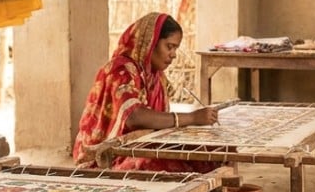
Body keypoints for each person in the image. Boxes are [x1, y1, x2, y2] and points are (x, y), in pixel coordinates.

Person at [73, 12, 219, 170]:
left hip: (140, 145)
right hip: (108, 155)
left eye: (175, 48)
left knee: (212, 154)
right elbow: (134, 117)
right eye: (169, 47)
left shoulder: (155, 77)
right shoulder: (121, 71)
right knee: (164, 166)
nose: (174, 55)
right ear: (151, 42)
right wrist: (191, 117)